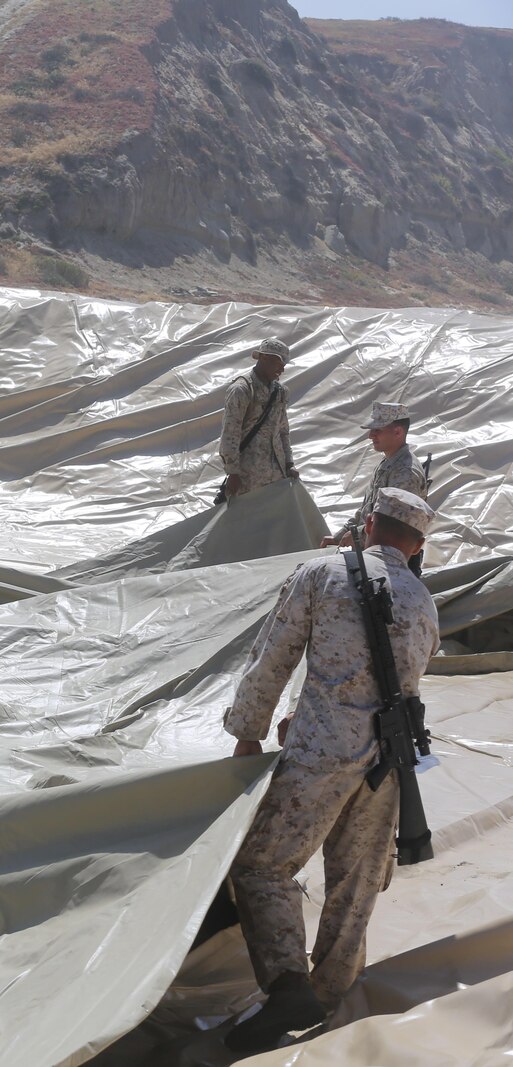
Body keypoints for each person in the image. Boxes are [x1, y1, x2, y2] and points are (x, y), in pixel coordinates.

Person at [221, 488, 439, 1053]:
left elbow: (274, 656)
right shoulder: (423, 599)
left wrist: (249, 730)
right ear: (417, 545)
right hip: (387, 760)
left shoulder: (320, 574)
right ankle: (332, 999)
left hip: (321, 753)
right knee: (356, 880)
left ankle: (288, 985)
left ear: (369, 523)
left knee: (262, 865)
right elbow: (403, 683)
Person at [320, 402, 427, 549]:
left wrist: (356, 535)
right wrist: (339, 537)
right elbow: (367, 510)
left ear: (398, 432)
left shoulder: (405, 472)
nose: (371, 436)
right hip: (374, 551)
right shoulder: (388, 463)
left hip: (390, 559)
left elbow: (393, 525)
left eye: (378, 430)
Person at [219, 338, 299, 500]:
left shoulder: (280, 392)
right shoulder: (242, 390)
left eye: (284, 364)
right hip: (248, 478)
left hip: (276, 475)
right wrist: (233, 473)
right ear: (263, 358)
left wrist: (289, 464)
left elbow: (283, 431)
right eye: (279, 362)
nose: (282, 369)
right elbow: (230, 434)